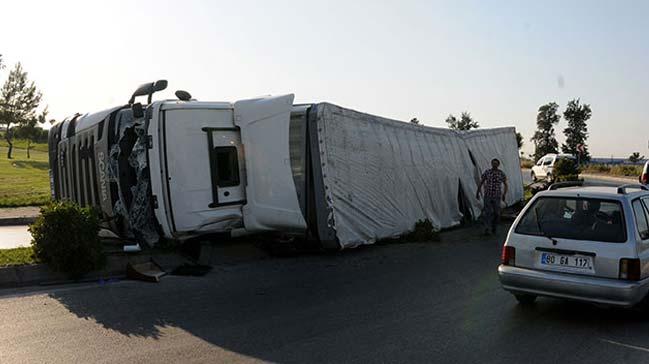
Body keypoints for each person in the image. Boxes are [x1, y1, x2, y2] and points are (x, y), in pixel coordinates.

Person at [476, 158, 508, 235]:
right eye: (493, 163)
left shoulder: (501, 173)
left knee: (497, 213)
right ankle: (487, 228)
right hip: (488, 195)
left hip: (497, 196)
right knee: (488, 212)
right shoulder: (487, 172)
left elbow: (505, 184)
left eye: (496, 163)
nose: (494, 165)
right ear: (491, 164)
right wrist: (477, 192)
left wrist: (504, 194)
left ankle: (494, 226)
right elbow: (482, 182)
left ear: (498, 165)